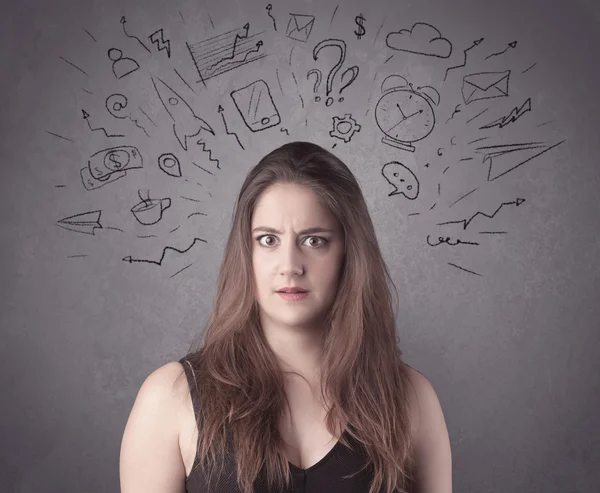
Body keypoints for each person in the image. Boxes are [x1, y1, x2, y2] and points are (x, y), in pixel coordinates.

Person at [119, 141, 452, 493]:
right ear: (245, 253)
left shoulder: (411, 399)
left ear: (349, 253)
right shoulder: (170, 397)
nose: (290, 267)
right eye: (268, 240)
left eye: (314, 241)